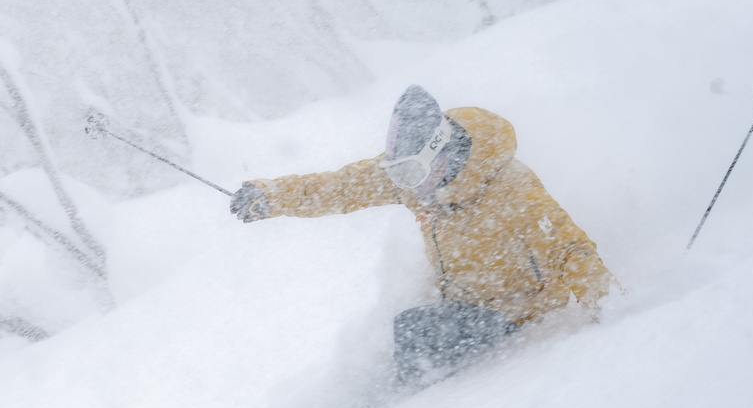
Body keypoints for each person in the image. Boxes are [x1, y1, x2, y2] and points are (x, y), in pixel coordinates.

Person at [229, 85, 612, 387]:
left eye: (410, 174)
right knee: (403, 330)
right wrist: (270, 196)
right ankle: (402, 388)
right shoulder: (416, 181)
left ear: (441, 154)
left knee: (415, 330)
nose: (405, 186)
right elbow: (340, 187)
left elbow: (569, 248)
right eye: (397, 175)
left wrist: (608, 307)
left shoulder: (510, 189)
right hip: (463, 302)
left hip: (520, 309)